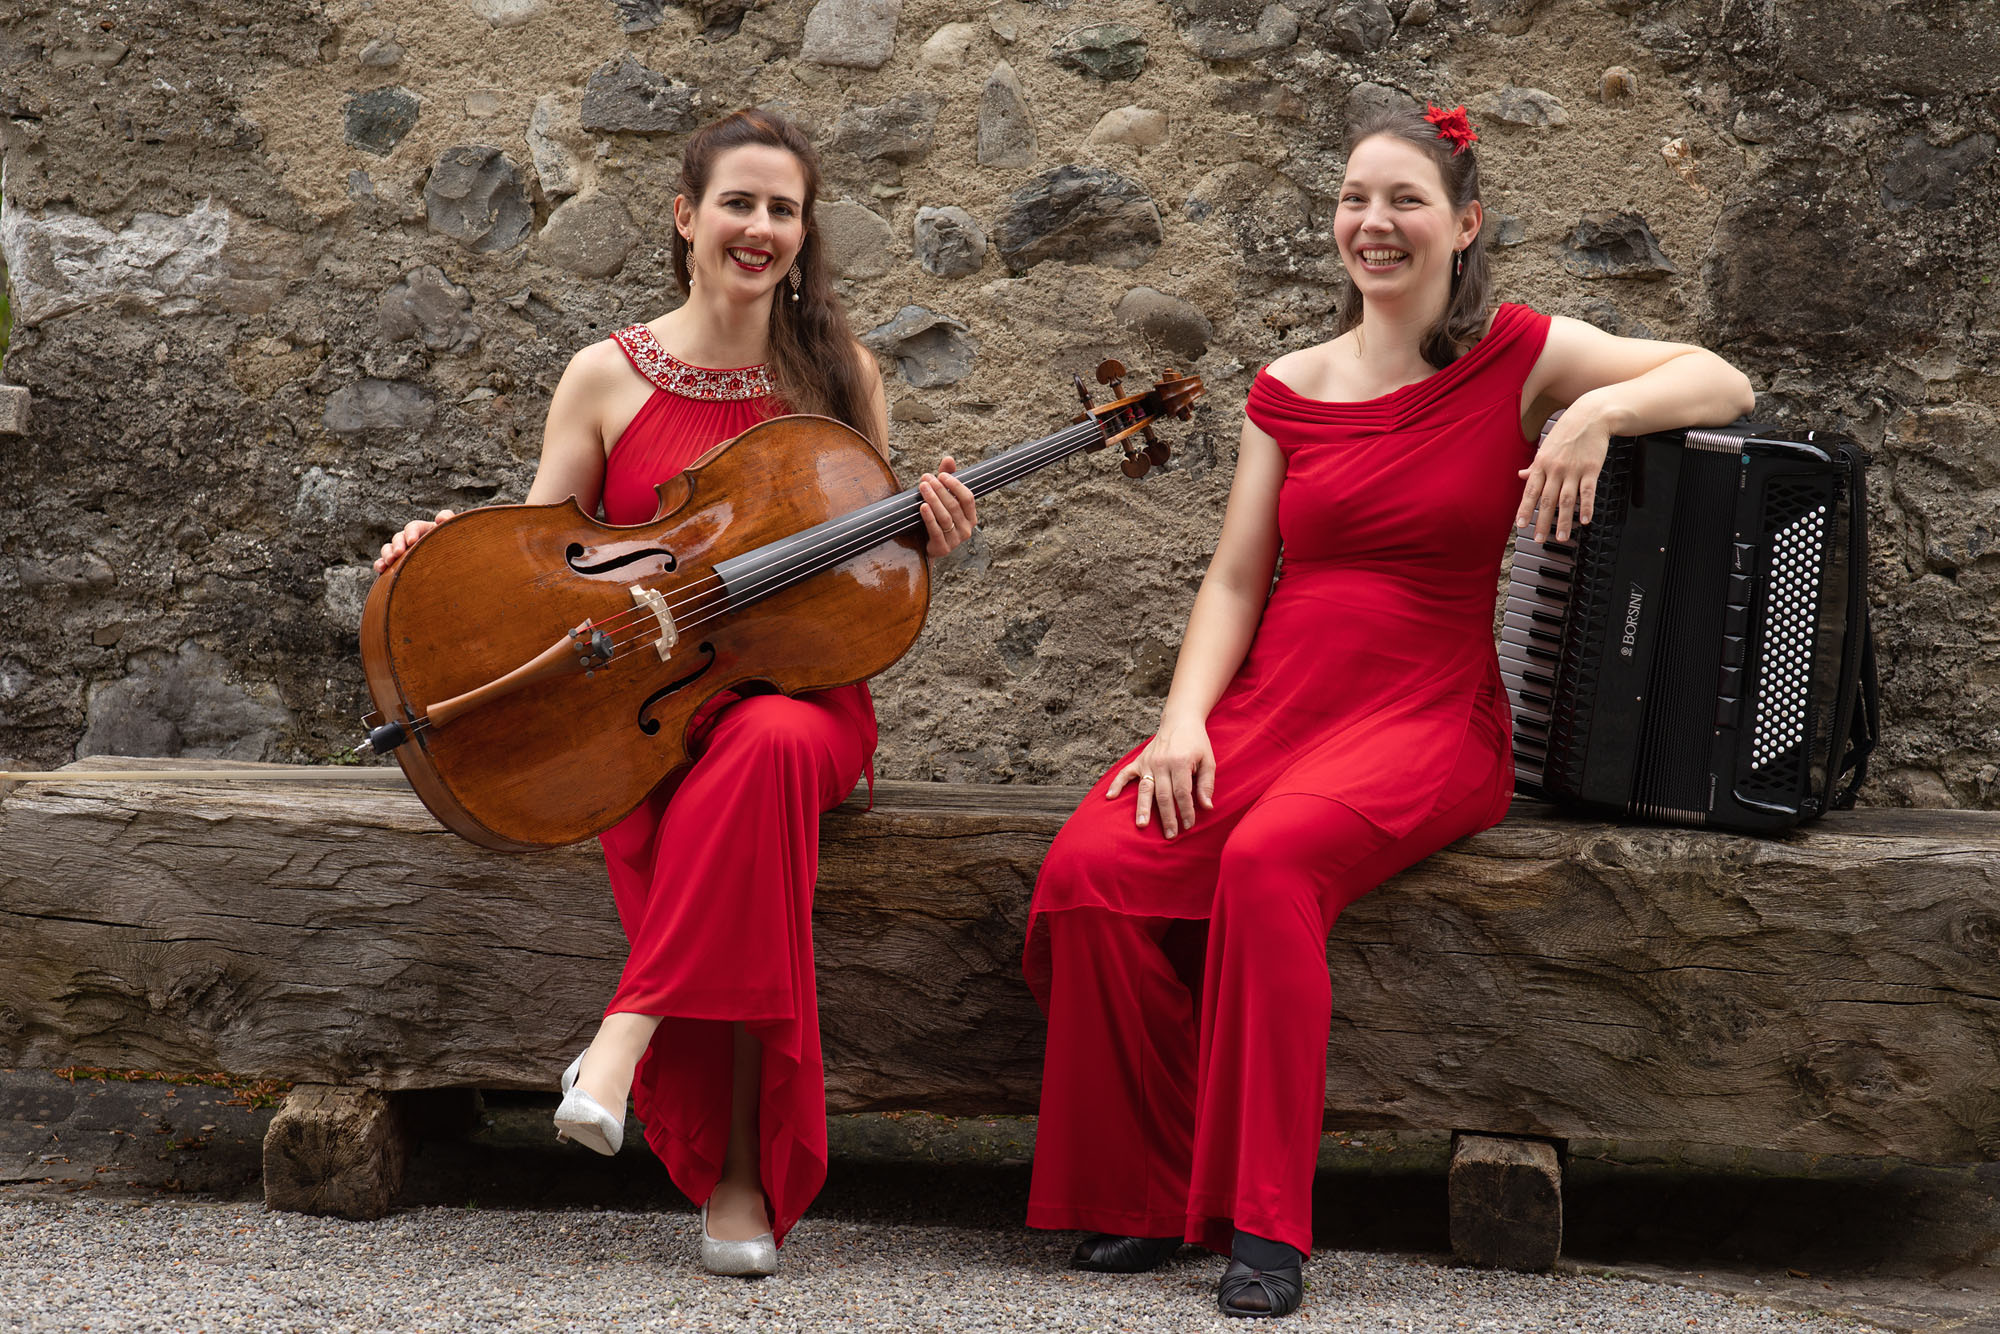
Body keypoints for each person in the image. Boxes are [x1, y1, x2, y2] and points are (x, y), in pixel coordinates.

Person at [1020, 103, 1755, 1318]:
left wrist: (1592, 411)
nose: (1373, 221)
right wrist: (1181, 721)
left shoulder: (1517, 353)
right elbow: (1235, 578)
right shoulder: (1286, 386)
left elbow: (1719, 378)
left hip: (1426, 717)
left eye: (1404, 199)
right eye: (1354, 198)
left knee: (1268, 859)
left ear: (1462, 225)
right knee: (1091, 866)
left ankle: (1265, 1222)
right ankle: (1146, 1190)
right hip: (1273, 704)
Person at [371, 109, 977, 1277]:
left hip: (795, 692)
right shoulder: (604, 375)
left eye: (783, 209)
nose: (759, 227)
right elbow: (539, 562)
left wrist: (924, 537)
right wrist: (439, 547)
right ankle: (738, 1172)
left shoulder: (840, 376)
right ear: (685, 217)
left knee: (768, 745)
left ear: (803, 232)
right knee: (739, 788)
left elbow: (854, 580)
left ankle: (621, 1037)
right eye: (737, 203)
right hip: (648, 715)